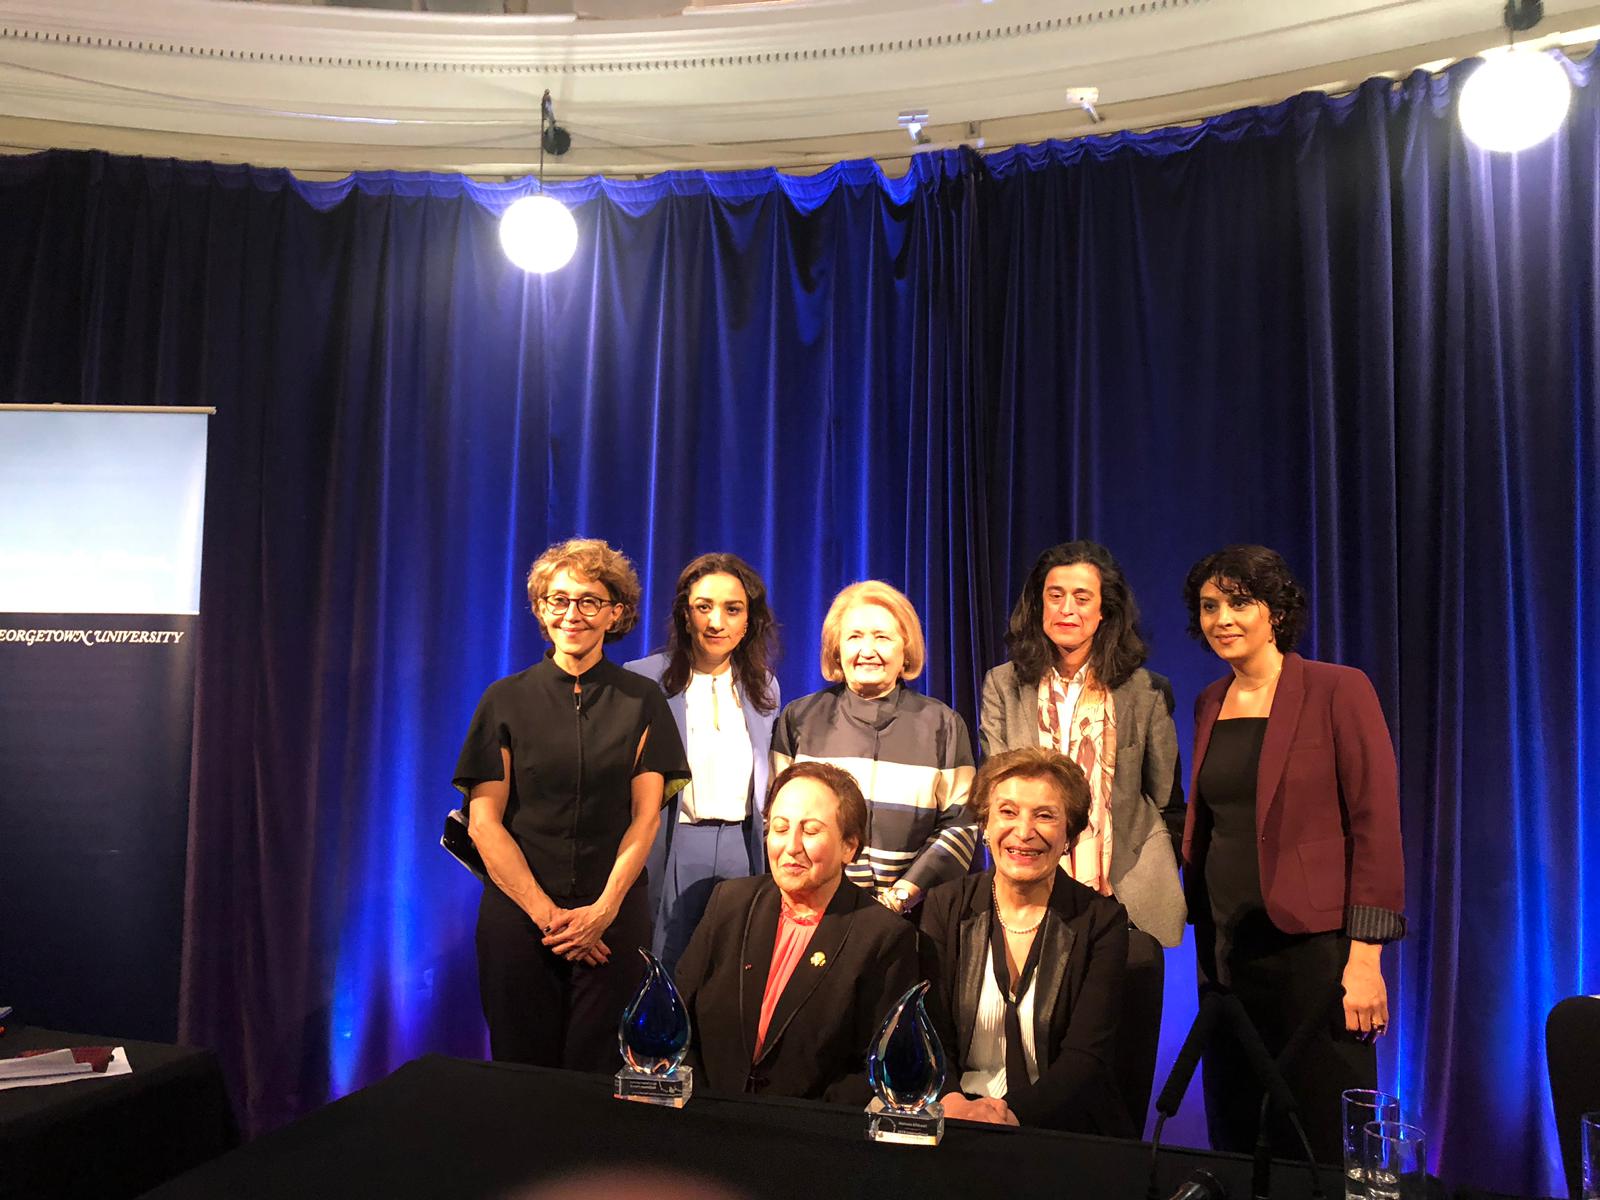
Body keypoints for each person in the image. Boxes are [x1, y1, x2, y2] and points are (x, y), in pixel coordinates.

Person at [1181, 544, 1405, 1162]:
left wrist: (1365, 961)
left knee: (1320, 1130)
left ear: (1276, 612)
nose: (1222, 618)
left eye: (1240, 602)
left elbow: (1377, 827)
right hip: (1225, 951)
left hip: (1315, 952)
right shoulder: (1207, 703)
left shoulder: (1338, 689)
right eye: (1209, 606)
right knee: (1235, 1120)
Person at [453, 537, 689, 1070]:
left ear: (616, 612)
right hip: (519, 917)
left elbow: (646, 817)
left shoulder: (642, 699)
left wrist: (601, 913)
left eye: (589, 600)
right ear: (540, 609)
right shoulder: (504, 699)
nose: (572, 614)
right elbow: (485, 823)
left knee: (598, 1076)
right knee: (521, 1073)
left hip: (614, 913)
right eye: (558, 600)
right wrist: (551, 918)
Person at [978, 541, 1185, 1128]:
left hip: (1125, 905)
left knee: (1118, 1078)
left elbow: (1165, 797)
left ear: (1105, 611)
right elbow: (999, 784)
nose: (1067, 608)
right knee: (1029, 1068)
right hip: (1029, 899)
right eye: (1055, 595)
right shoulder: (1003, 685)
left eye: (1082, 597)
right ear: (1037, 606)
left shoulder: (1148, 691)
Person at [673, 760, 920, 1103]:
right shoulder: (729, 902)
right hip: (707, 1118)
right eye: (780, 827)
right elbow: (677, 1015)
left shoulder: (883, 937)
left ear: (849, 846)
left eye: (811, 830)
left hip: (811, 1137)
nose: (791, 846)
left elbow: (877, 1068)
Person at [919, 746, 1134, 1135]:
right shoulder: (944, 906)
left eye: (1045, 816)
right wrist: (951, 1101)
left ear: (1069, 833)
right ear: (985, 823)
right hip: (954, 1116)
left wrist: (1008, 1117)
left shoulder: (1102, 922)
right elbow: (929, 1033)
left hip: (1057, 1125)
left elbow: (1085, 1059)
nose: (1023, 831)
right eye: (1007, 811)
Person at [771, 581, 977, 914]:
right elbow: (776, 818)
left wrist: (902, 896)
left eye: (882, 637)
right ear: (836, 649)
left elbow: (961, 825)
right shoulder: (800, 718)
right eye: (854, 637)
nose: (868, 650)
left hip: (915, 915)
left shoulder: (943, 723)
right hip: (817, 911)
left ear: (905, 649)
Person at [625, 553, 781, 973]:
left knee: (731, 968)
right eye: (703, 607)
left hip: (742, 845)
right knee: (663, 967)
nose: (717, 622)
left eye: (732, 609)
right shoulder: (643, 679)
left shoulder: (764, 686)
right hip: (673, 841)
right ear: (684, 614)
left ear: (749, 619)